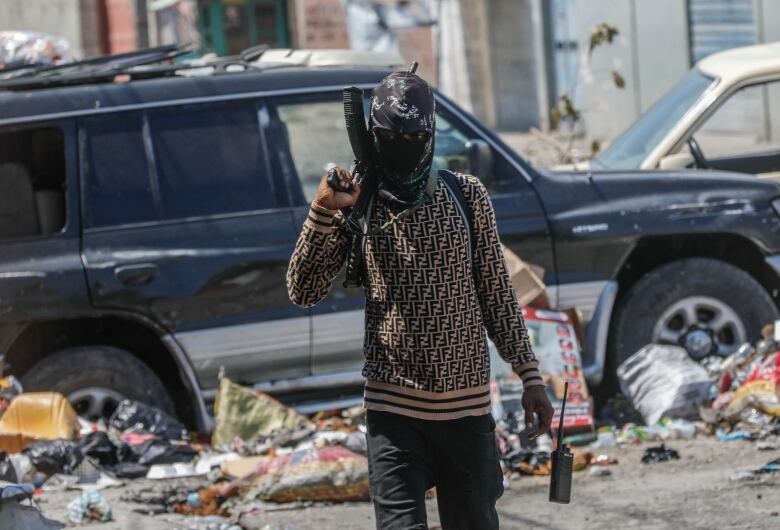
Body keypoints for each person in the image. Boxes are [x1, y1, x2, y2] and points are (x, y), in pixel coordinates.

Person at [287, 69, 553, 530]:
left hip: (467, 413)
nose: (407, 142)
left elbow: (497, 294)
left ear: (430, 133)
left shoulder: (466, 196)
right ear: (375, 134)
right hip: (394, 414)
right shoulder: (358, 204)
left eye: (417, 133)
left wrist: (530, 376)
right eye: (395, 135)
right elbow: (303, 290)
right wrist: (324, 212)